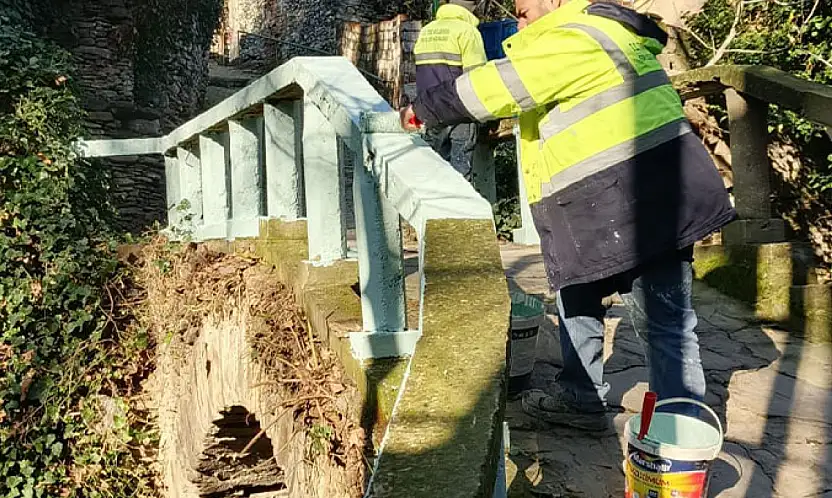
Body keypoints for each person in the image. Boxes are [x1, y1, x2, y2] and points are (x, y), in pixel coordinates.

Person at [401, 0, 736, 431]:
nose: (518, 17)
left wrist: (422, 109)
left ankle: (680, 433)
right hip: (627, 195)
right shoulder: (607, 32)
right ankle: (580, 395)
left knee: (661, 322)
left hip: (633, 201)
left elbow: (491, 88)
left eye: (523, 10)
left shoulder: (571, 38)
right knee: (576, 290)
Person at [413, 0, 487, 182]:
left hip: (430, 112)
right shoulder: (467, 32)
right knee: (460, 174)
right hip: (460, 112)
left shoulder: (426, 31)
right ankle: (460, 210)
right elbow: (477, 78)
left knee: (434, 172)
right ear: (474, 7)